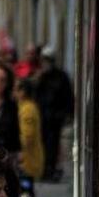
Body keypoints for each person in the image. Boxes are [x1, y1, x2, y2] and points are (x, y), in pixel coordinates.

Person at [36, 48, 74, 182]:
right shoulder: (40, 76)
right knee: (41, 145)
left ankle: (51, 170)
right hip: (41, 117)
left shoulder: (61, 76)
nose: (45, 63)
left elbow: (68, 96)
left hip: (55, 118)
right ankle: (43, 170)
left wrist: (66, 114)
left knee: (53, 145)